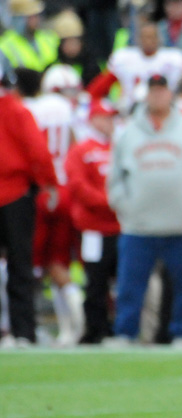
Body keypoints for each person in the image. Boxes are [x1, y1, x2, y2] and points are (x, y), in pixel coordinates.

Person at [106, 73, 182, 345]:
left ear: (170, 94)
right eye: (153, 90)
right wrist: (125, 205)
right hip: (139, 224)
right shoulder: (128, 130)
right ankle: (125, 331)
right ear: (146, 94)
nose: (158, 95)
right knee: (130, 284)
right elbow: (114, 177)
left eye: (162, 90)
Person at [24, 63, 85, 346]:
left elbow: (31, 149)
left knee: (27, 262)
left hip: (39, 190)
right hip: (65, 191)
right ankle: (72, 321)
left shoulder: (32, 109)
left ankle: (20, 324)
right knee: (58, 261)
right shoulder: (72, 112)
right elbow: (76, 150)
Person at [0, 61, 58, 348]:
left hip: (13, 192)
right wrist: (47, 182)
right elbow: (37, 151)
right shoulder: (16, 111)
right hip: (15, 196)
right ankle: (23, 331)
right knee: (20, 266)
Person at [65, 98, 121, 344]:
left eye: (112, 118)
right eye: (105, 117)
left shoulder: (119, 148)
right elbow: (78, 185)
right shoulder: (81, 150)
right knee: (95, 280)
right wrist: (109, 202)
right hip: (93, 228)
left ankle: (116, 328)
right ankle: (95, 328)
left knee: (121, 280)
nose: (110, 123)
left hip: (120, 226)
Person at [87, 19, 182, 114]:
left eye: (152, 36)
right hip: (130, 112)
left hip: (168, 111)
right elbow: (98, 88)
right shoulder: (124, 59)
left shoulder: (174, 59)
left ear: (159, 38)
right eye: (145, 37)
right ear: (138, 39)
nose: (149, 41)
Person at [0, 0, 59, 74]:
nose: (37, 19)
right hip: (23, 84)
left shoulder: (49, 38)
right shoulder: (5, 45)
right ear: (19, 19)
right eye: (32, 16)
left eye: (38, 15)